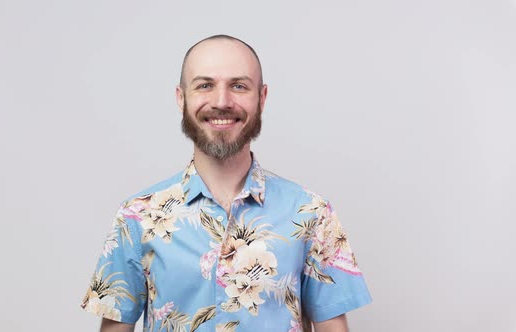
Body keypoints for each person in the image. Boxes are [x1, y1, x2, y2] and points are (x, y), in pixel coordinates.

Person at [81, 34, 371, 332]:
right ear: (182, 98)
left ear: (262, 98)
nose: (221, 101)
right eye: (205, 85)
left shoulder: (312, 213)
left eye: (238, 86)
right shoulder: (136, 217)